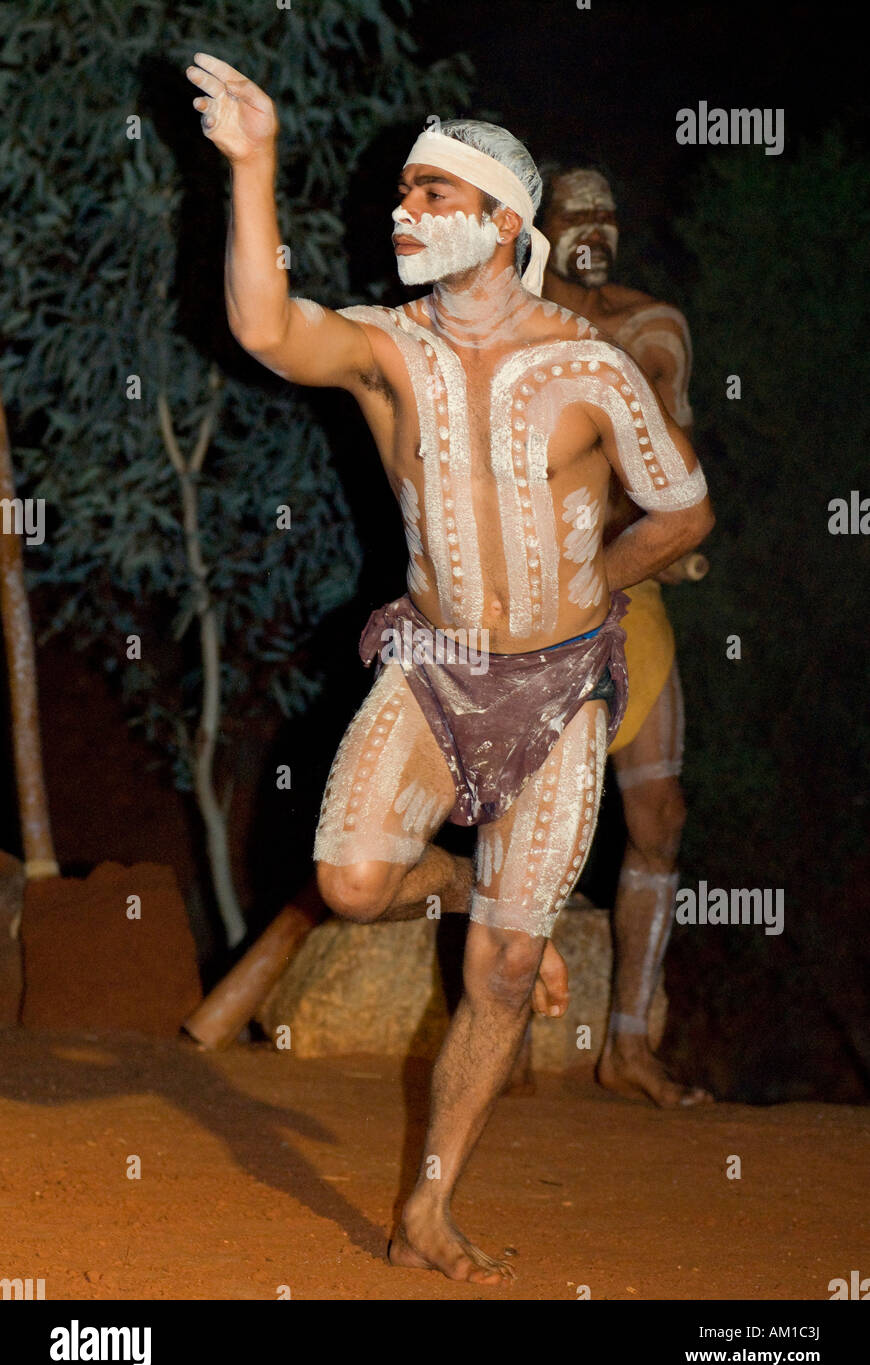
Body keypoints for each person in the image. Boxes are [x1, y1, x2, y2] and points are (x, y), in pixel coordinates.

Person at [186, 54, 714, 1284]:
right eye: (403, 196)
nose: (404, 212)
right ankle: (477, 893)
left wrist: (599, 584)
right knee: (353, 880)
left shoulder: (591, 368)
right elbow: (264, 326)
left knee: (507, 970)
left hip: (561, 689)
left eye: (432, 195)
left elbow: (684, 509)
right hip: (430, 670)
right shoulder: (387, 351)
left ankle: (427, 1207)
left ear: (501, 222)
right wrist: (254, 164)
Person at [538, 166, 712, 1106]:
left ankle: (630, 1042)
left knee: (660, 816)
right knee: (515, 810)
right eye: (576, 216)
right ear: (543, 226)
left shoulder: (653, 329)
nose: (594, 230)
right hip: (532, 601)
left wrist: (666, 541)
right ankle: (501, 1009)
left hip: (630, 587)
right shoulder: (510, 322)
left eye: (608, 213)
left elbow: (672, 456)